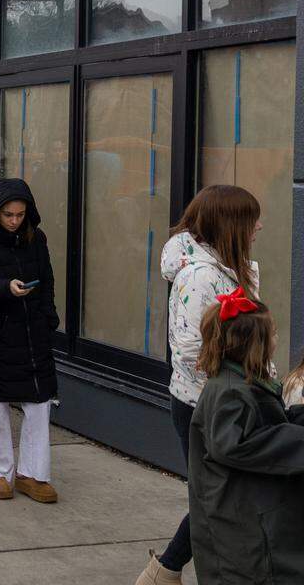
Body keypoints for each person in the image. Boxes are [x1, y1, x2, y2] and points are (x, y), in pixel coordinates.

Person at [137, 184, 262, 585]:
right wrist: (245, 375)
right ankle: (164, 571)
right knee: (217, 495)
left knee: (219, 494)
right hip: (204, 404)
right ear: (230, 224)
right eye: (251, 218)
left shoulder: (233, 268)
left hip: (231, 398)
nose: (259, 225)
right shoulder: (200, 277)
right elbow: (190, 347)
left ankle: (165, 570)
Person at [185, 290, 304, 584]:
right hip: (240, 534)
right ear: (255, 345)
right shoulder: (229, 392)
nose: (277, 339)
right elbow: (234, 445)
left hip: (245, 521)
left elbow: (262, 423)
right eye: (273, 334)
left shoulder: (238, 382)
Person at [0, 178, 59, 504]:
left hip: (33, 334)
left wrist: (49, 320)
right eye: (8, 215)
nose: (15, 220)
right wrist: (5, 288)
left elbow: (46, 281)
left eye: (19, 214)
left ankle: (33, 472)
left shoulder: (36, 239)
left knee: (39, 403)